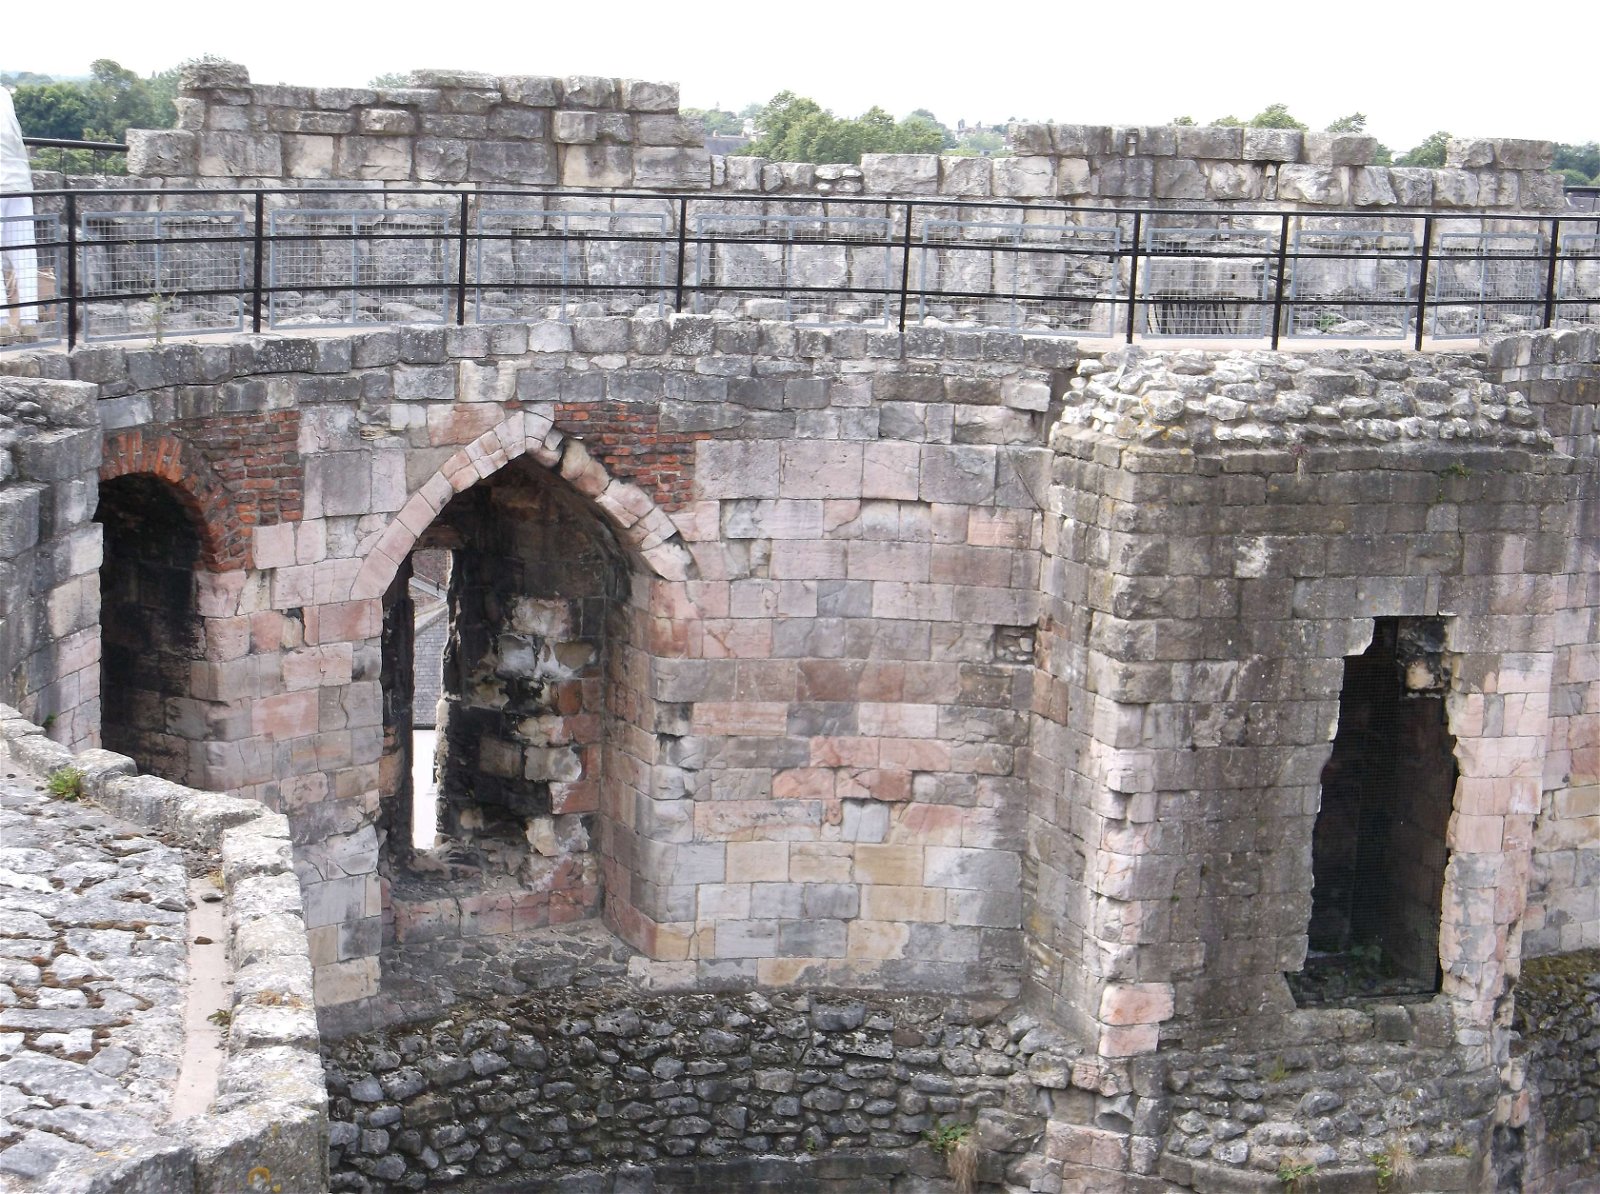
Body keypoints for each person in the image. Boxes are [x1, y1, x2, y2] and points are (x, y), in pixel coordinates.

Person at [0, 87, 39, 327]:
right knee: (24, 252)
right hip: (19, 179)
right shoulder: (3, 94)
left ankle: (2, 320)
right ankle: (28, 320)